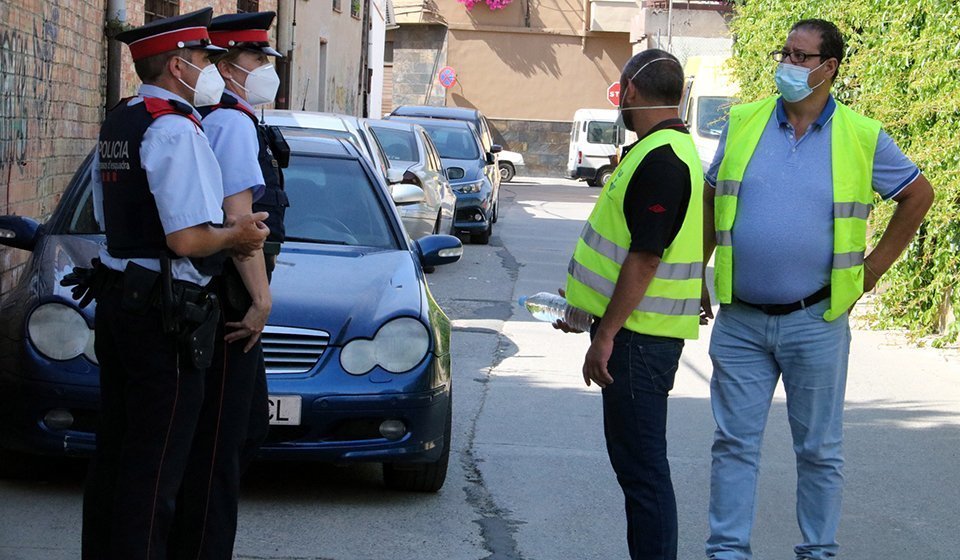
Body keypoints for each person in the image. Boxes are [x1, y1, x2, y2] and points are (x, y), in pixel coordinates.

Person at [700, 19, 935, 560]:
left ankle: (818, 552)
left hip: (816, 319)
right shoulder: (743, 122)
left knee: (820, 451)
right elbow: (714, 200)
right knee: (733, 445)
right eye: (785, 53)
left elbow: (919, 195)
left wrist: (872, 270)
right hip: (741, 318)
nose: (789, 64)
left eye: (802, 57)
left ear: (829, 68)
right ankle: (727, 552)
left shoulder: (862, 134)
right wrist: (700, 271)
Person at [74, 8, 270, 560]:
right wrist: (237, 236)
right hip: (164, 309)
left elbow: (105, 211)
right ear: (178, 65)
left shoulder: (122, 119)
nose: (211, 67)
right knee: (157, 466)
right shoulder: (173, 127)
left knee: (117, 453)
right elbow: (186, 239)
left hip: (121, 296)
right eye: (205, 58)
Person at [557, 49, 704, 560]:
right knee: (639, 471)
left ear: (632, 91)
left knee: (643, 474)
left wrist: (605, 335)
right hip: (637, 335)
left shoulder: (661, 158)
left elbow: (644, 258)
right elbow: (623, 250)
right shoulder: (658, 151)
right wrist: (585, 309)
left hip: (639, 342)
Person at [168, 11, 287, 559]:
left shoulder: (221, 116)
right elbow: (240, 220)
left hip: (216, 296)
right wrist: (261, 298)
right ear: (228, 66)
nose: (265, 70)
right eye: (256, 59)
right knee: (220, 443)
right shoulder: (231, 122)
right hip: (230, 298)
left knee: (237, 433)